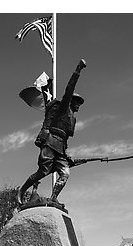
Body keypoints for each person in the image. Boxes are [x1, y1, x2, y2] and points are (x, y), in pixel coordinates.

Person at [16, 59, 87, 206]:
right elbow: (69, 87)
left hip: (60, 148)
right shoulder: (64, 108)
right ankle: (22, 190)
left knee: (65, 174)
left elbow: (65, 138)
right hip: (50, 142)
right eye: (77, 102)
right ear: (71, 101)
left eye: (80, 103)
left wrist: (66, 155)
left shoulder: (73, 119)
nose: (78, 105)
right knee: (42, 172)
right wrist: (78, 70)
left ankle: (53, 198)